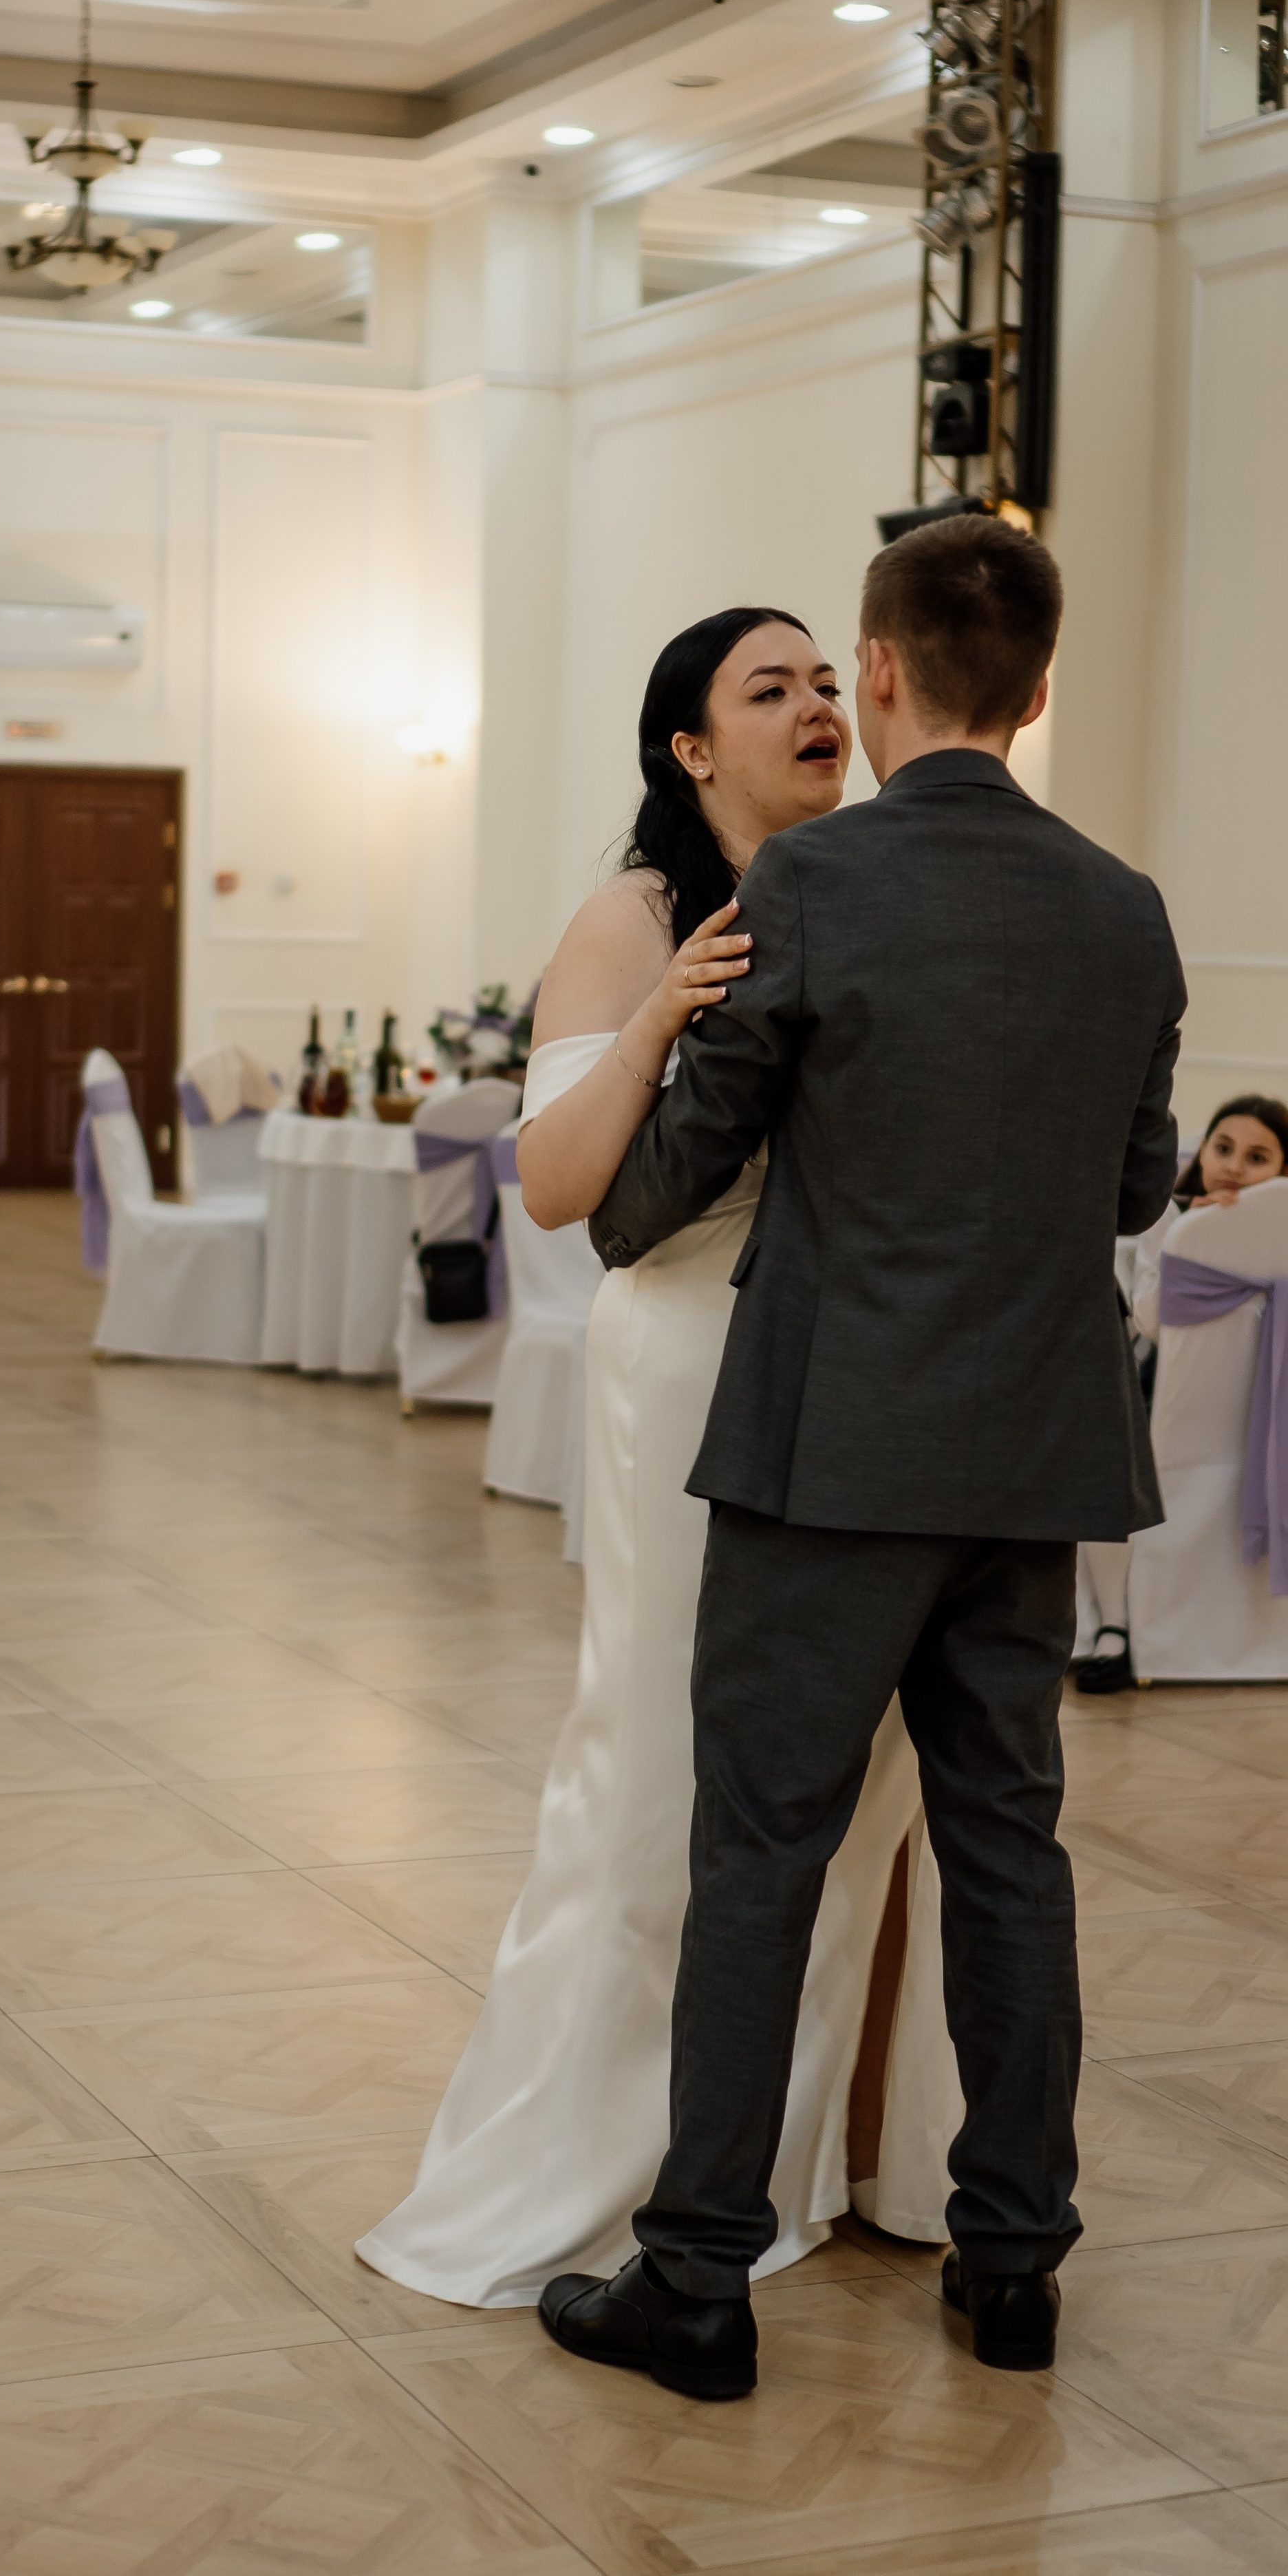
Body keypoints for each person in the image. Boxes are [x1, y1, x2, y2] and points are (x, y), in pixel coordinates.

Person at [537, 513, 1184, 2400]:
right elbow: (1140, 1181)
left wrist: (683, 1094)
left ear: (883, 676)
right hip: (1037, 1456)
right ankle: (1013, 2259)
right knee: (1010, 1850)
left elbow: (641, 1199)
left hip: (830, 1454)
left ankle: (699, 2280)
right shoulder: (1127, 907)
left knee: (761, 1850)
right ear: (1041, 688)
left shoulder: (814, 886)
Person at [354, 609, 959, 2315]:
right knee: (666, 1772)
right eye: (766, 690)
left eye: (824, 679)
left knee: (871, 1786)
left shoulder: (876, 885)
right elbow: (552, 1189)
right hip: (692, 1362)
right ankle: (608, 2167)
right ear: (688, 749)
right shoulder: (629, 916)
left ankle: (814, 2152)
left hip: (860, 1381)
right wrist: (658, 1018)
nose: (814, 707)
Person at [1077, 1093, 1288, 1692]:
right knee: (1108, 1468)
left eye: (1257, 1157)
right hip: (1162, 1391)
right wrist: (1199, 1237)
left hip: (1265, 1406)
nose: (1233, 1166)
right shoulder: (1164, 1217)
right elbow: (1149, 1322)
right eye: (1223, 1148)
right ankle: (1117, 1623)